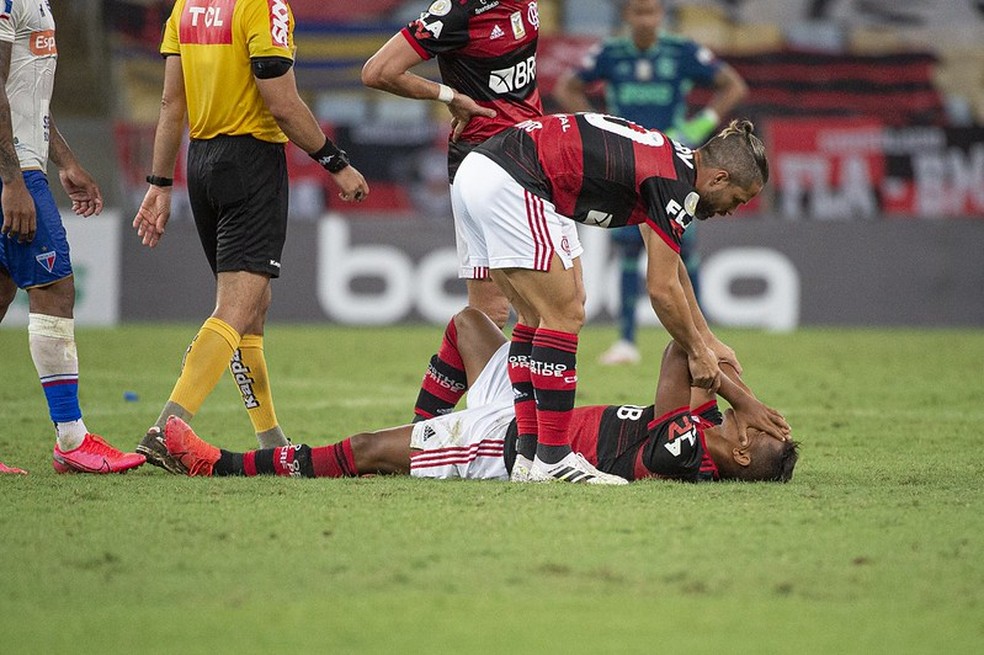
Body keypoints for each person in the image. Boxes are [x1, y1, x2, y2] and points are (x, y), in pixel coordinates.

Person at [450, 112, 768, 483]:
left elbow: (672, 267)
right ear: (719, 178)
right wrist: (697, 352)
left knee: (534, 316)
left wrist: (707, 340)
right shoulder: (675, 186)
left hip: (480, 170)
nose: (732, 210)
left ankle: (528, 454)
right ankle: (553, 459)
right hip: (513, 178)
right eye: (738, 199)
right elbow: (661, 290)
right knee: (565, 313)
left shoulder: (671, 164)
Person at [131, 0, 369, 472]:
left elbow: (170, 102)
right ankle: (166, 428)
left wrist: (159, 184)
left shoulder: (188, 6)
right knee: (236, 308)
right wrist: (336, 163)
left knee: (253, 307)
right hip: (250, 160)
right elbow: (280, 103)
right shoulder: (263, 7)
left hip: (200, 163)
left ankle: (270, 436)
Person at [160, 308, 796, 484]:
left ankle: (218, 463)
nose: (758, 422)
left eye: (760, 431)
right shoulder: (708, 427)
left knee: (362, 449)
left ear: (742, 454)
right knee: (470, 325)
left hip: (510, 444)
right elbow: (684, 350)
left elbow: (679, 359)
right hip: (522, 407)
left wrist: (740, 394)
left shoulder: (686, 454)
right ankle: (423, 439)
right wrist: (731, 386)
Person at [362, 0, 544, 423]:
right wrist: (448, 95)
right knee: (550, 311)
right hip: (495, 167)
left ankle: (421, 433)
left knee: (489, 314)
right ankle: (521, 433)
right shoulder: (458, 12)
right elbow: (377, 70)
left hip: (527, 156)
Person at [553, 0, 748, 365]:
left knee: (683, 250)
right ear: (627, 16)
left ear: (662, 15)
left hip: (674, 165)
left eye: (653, 12)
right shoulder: (610, 52)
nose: (646, 19)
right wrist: (599, 129)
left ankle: (702, 338)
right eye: (639, 12)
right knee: (629, 249)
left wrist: (699, 126)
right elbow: (568, 87)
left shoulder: (682, 51)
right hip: (627, 167)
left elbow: (733, 86)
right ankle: (626, 341)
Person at [0, 0, 145, 474]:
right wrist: (13, 182)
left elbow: (28, 98)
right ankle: (71, 438)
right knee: (55, 290)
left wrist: (65, 160)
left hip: (26, 161)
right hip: (13, 169)